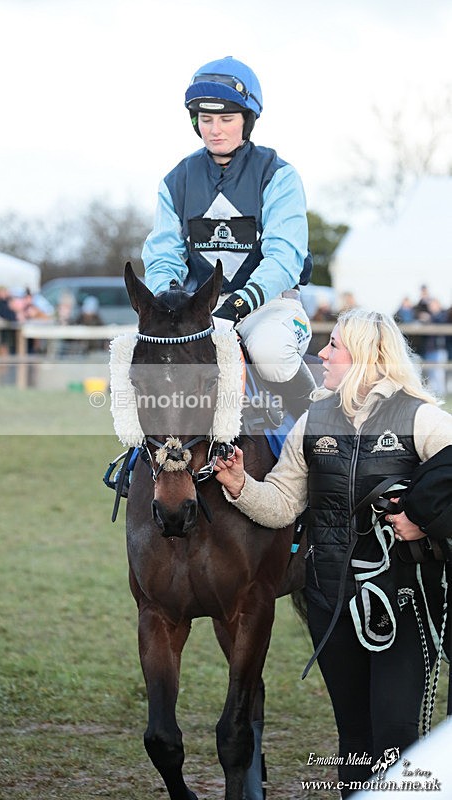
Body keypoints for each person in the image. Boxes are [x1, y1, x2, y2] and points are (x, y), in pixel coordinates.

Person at [214, 307, 452, 797]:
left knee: (397, 736)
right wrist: (240, 484)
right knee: (355, 739)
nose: (321, 354)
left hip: (404, 601)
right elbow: (282, 503)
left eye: (334, 346)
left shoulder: (423, 417)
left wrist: (424, 526)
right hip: (329, 601)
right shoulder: (313, 420)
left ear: (365, 356)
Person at [142, 56, 315, 412]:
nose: (215, 129)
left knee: (270, 354)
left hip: (269, 305)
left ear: (247, 121)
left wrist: (238, 304)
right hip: (200, 307)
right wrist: (169, 299)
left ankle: (319, 429)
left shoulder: (278, 175)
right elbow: (162, 253)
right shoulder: (176, 180)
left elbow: (284, 258)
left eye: (226, 119)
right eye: (206, 119)